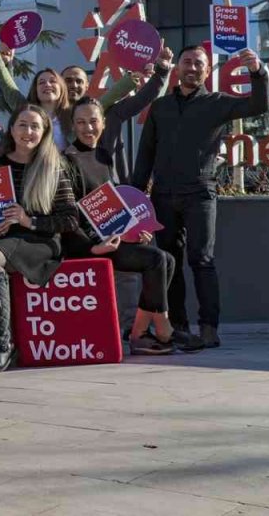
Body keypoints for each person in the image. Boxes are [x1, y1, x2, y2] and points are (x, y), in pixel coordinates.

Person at [132, 45, 269, 349]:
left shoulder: (217, 103)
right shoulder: (160, 107)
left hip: (200, 193)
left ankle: (209, 327)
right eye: (187, 62)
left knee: (202, 260)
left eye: (199, 64)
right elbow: (145, 155)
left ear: (208, 71)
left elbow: (259, 105)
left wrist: (258, 72)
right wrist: (133, 198)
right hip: (163, 195)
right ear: (178, 68)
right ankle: (178, 325)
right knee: (169, 262)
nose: (192, 68)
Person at [65, 77, 205, 355]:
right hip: (87, 243)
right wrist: (95, 243)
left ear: (103, 124)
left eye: (93, 121)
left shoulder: (105, 157)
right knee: (155, 259)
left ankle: (142, 330)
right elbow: (71, 213)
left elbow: (115, 205)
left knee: (166, 258)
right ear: (73, 125)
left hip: (114, 237)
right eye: (81, 122)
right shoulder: (66, 160)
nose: (88, 128)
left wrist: (133, 230)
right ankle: (159, 327)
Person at [0, 105, 80, 375]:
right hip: (1, 239)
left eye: (35, 126)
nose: (28, 131)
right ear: (11, 129)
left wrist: (29, 220)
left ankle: (3, 345)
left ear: (44, 131)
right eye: (22, 125)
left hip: (39, 240)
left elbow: (70, 219)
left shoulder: (54, 167)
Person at [26, 68, 72, 151]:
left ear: (61, 87)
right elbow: (7, 86)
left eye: (53, 81)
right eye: (41, 82)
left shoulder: (72, 115)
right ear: (35, 90)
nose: (47, 84)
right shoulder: (26, 114)